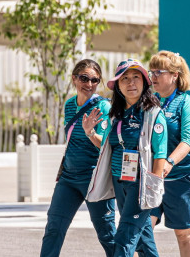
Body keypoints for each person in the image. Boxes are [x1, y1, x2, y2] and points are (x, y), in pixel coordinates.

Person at [84, 59, 167, 257]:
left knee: (124, 239)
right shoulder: (115, 116)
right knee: (144, 244)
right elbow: (105, 145)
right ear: (118, 86)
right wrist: (89, 132)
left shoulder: (153, 114)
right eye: (125, 79)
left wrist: (153, 186)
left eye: (136, 77)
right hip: (119, 181)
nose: (131, 83)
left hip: (141, 184)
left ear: (145, 82)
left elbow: (160, 153)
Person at [40, 59, 116, 256]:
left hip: (94, 178)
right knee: (54, 228)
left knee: (107, 235)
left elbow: (106, 145)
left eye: (94, 80)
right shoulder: (69, 105)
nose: (89, 84)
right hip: (69, 178)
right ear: (74, 79)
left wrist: (90, 132)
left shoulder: (103, 107)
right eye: (84, 78)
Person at [138, 51, 190, 257]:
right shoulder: (150, 102)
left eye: (159, 72)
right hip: (154, 177)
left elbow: (188, 141)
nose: (153, 76)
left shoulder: (187, 103)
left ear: (175, 75)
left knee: (184, 234)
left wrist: (169, 162)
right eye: (152, 72)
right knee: (141, 228)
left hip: (183, 177)